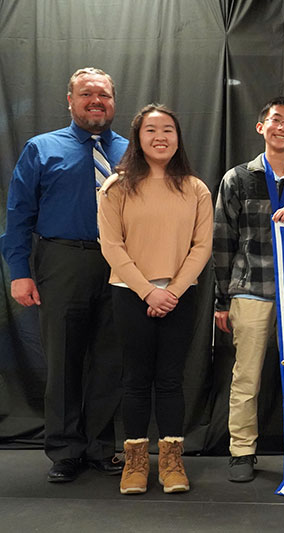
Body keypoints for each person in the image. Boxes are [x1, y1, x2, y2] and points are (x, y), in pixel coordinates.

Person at [2, 67, 128, 482]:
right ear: (69, 100)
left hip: (121, 266)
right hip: (61, 261)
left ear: (114, 101)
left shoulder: (131, 153)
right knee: (64, 359)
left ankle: (100, 447)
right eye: (87, 94)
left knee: (110, 360)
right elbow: (19, 214)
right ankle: (65, 450)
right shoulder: (41, 148)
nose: (97, 101)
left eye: (104, 95)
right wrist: (19, 272)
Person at [98, 104, 213, 494]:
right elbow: (111, 246)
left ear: (178, 137)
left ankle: (171, 461)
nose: (160, 136)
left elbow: (201, 248)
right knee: (135, 379)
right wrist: (147, 290)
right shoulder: (117, 186)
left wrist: (173, 291)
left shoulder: (196, 189)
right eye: (151, 130)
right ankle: (134, 463)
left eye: (168, 129)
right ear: (138, 137)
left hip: (181, 295)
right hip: (130, 293)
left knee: (169, 380)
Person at [214, 96, 284, 482]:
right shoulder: (237, 178)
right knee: (246, 378)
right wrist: (221, 299)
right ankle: (242, 451)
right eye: (275, 119)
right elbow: (223, 240)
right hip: (250, 290)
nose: (282, 126)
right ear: (261, 127)